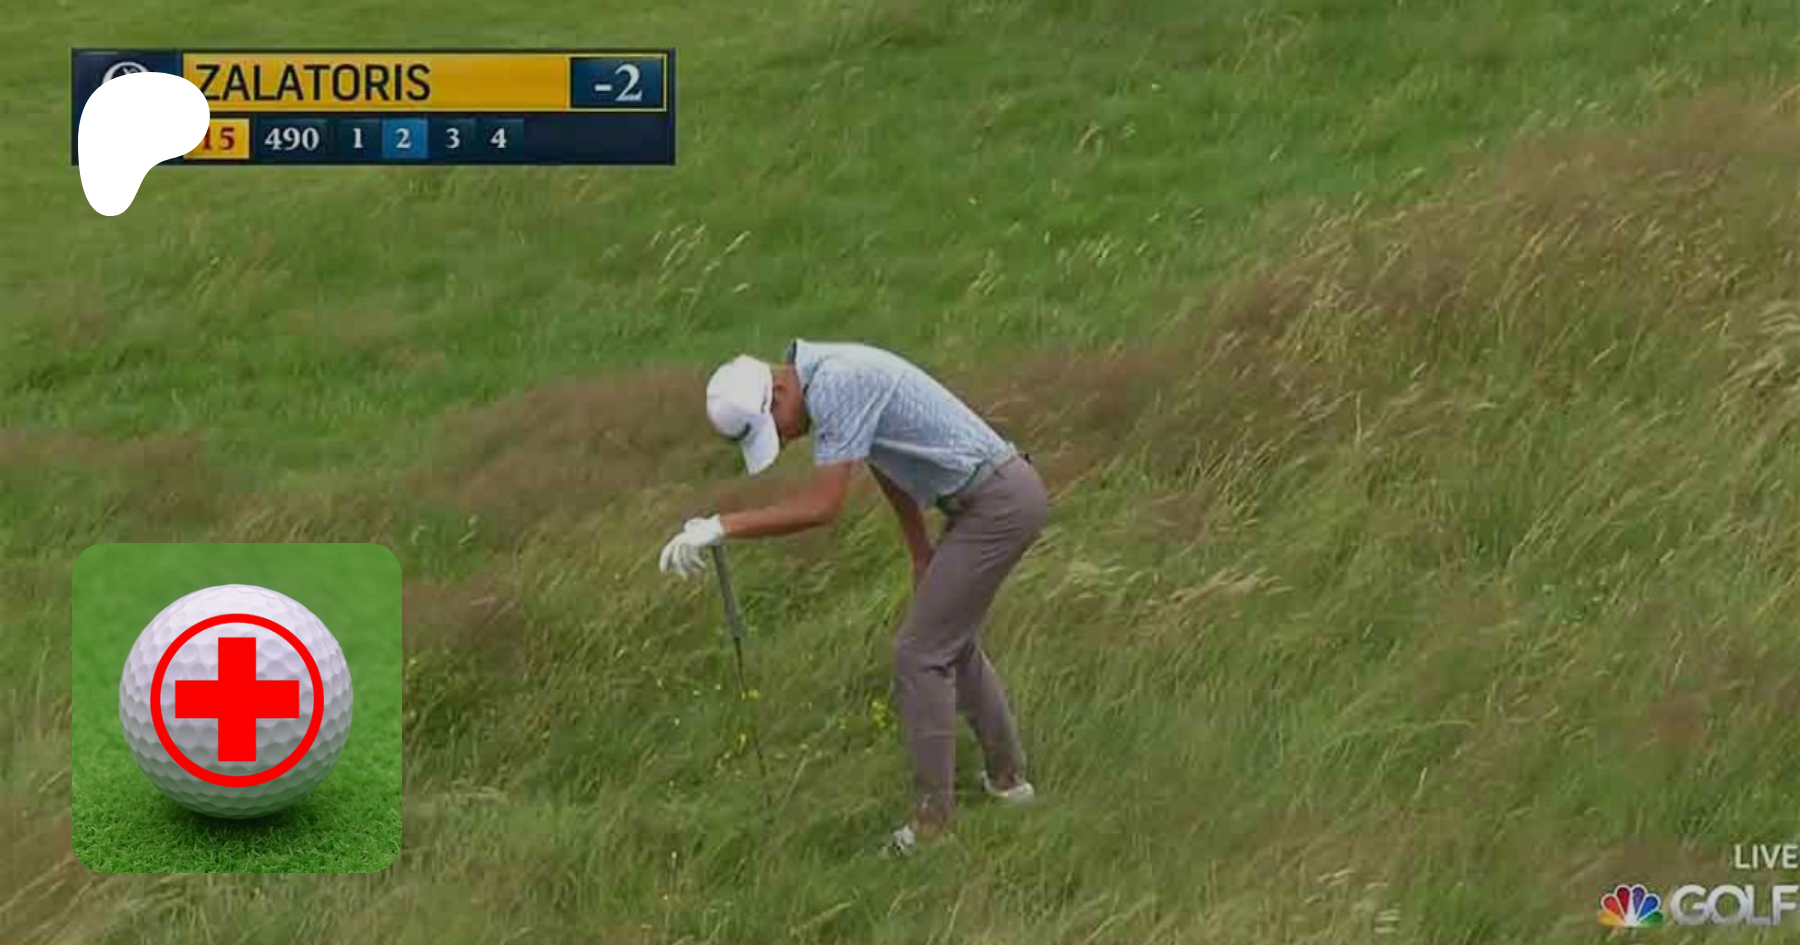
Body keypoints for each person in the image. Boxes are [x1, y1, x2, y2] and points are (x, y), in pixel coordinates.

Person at [659, 339, 1050, 855]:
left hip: (999, 504)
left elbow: (824, 506)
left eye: (779, 430)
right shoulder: (827, 376)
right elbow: (887, 461)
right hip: (988, 501)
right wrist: (919, 549)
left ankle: (933, 827)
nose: (787, 439)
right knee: (949, 642)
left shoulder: (837, 383)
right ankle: (1009, 782)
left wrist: (723, 526)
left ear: (780, 393)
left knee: (919, 653)